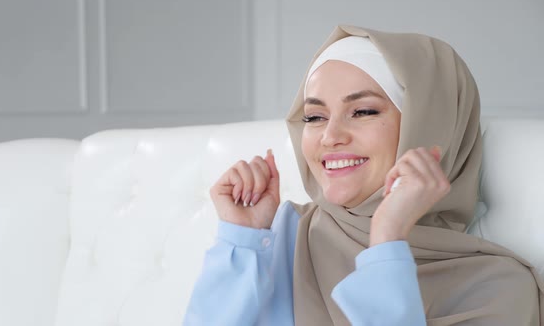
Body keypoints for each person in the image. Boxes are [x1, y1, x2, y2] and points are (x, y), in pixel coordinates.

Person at [183, 25, 544, 325]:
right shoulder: (283, 239)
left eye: (364, 111)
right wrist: (241, 242)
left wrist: (386, 241)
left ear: (428, 126)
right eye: (314, 117)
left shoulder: (502, 287)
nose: (330, 136)